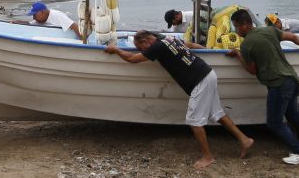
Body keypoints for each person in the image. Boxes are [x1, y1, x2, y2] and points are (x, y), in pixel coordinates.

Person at [104, 31, 254, 169]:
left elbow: (132, 58)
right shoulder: (169, 39)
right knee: (217, 113)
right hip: (208, 73)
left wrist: (116, 49)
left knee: (194, 120)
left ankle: (208, 157)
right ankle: (245, 140)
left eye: (140, 47)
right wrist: (210, 50)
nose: (142, 51)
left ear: (145, 41)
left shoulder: (157, 47)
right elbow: (191, 45)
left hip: (200, 80)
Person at [227, 9, 299, 165]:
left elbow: (252, 71)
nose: (236, 30)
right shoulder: (270, 30)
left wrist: (238, 55)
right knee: (294, 115)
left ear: (246, 24)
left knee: (274, 122)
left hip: (278, 84)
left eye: (237, 26)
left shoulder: (247, 45)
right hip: (291, 79)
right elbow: (293, 36)